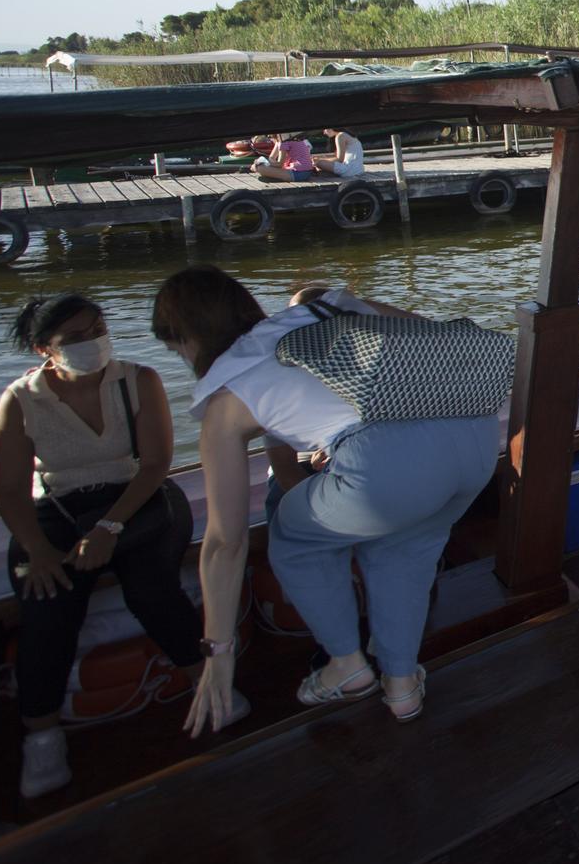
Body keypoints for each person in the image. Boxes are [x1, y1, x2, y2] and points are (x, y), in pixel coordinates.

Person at [152, 267, 499, 728]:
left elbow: (224, 542)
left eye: (176, 348)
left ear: (186, 339)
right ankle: (401, 686)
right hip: (475, 437)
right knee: (405, 551)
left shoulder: (225, 400)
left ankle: (347, 665)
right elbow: (435, 340)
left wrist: (217, 651)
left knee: (294, 534)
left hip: (393, 466)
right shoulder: (329, 305)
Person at [0, 294, 235, 799]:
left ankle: (211, 686)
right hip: (58, 509)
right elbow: (12, 490)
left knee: (150, 587)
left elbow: (155, 465)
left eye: (97, 328)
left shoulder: (136, 380)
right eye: (75, 339)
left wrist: (107, 529)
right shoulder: (21, 400)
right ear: (45, 350)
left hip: (139, 499)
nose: (93, 342)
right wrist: (36, 548)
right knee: (48, 599)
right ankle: (42, 735)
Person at [248, 134, 316, 182]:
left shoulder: (283, 141)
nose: (269, 137)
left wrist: (259, 165)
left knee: (260, 168)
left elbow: (279, 164)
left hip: (299, 173)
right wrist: (263, 162)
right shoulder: (282, 139)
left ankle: (276, 176)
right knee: (260, 167)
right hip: (304, 171)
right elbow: (271, 158)